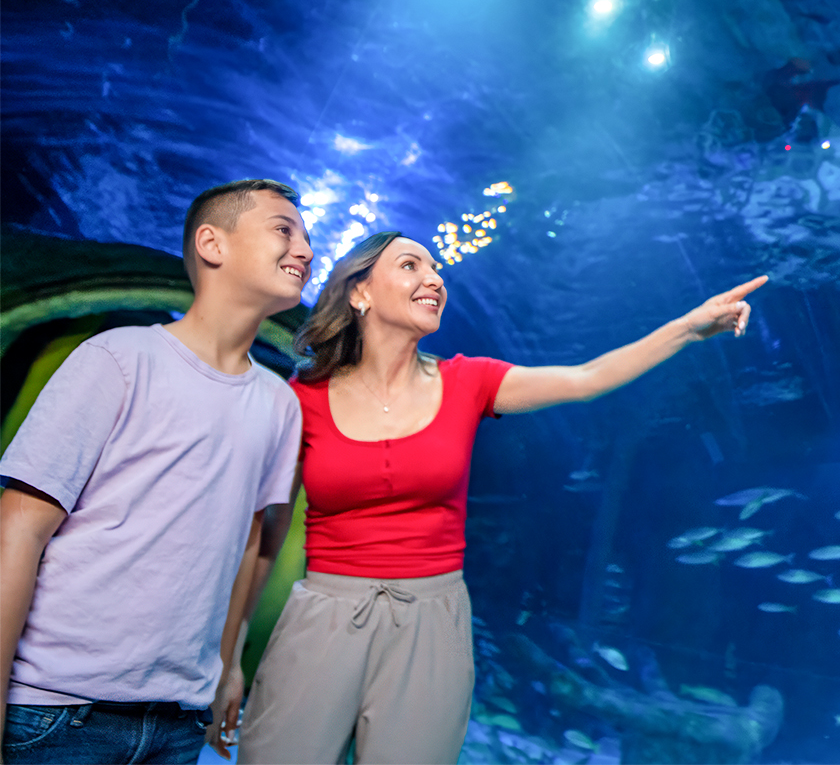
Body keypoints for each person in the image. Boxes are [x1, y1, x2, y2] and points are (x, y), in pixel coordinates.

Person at [229, 230, 764, 764]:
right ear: (359, 293)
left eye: (437, 269)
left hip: (431, 623)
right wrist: (229, 655)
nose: (434, 278)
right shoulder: (301, 400)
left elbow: (586, 378)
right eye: (412, 266)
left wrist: (688, 329)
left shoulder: (470, 382)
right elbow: (265, 532)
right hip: (323, 615)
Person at [0, 179, 312, 764]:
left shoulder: (280, 404)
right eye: (283, 229)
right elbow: (20, 527)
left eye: (307, 237)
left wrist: (229, 667)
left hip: (175, 721)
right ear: (212, 244)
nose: (305, 249)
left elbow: (247, 543)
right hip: (57, 710)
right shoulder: (116, 356)